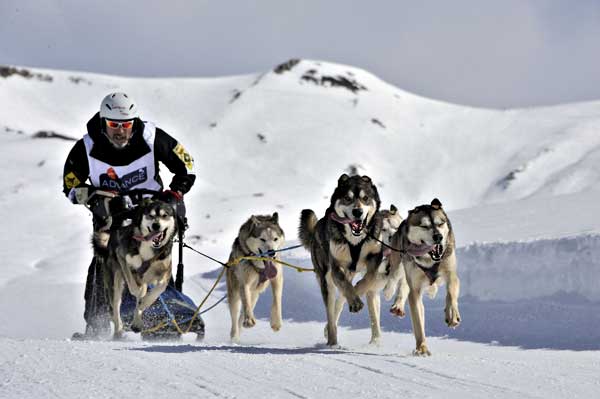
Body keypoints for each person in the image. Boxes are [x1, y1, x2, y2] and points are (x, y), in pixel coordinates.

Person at [62, 92, 196, 339]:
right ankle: (97, 325)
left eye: (126, 125)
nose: (120, 131)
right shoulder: (86, 146)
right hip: (111, 220)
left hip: (150, 216)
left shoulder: (152, 137)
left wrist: (175, 195)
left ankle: (164, 323)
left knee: (156, 262)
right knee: (104, 264)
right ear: (104, 122)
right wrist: (93, 197)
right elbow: (70, 185)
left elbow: (187, 167)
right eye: (114, 125)